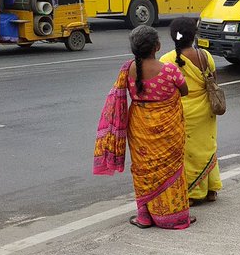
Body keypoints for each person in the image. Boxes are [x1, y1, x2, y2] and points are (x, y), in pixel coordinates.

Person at [94, 25, 193, 230]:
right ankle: (175, 217)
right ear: (157, 46)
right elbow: (184, 91)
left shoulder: (127, 68)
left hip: (139, 127)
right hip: (169, 129)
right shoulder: (169, 70)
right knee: (172, 170)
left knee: (142, 170)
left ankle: (145, 217)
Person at [160, 17, 223, 205]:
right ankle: (211, 189)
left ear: (174, 37)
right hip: (205, 111)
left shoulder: (167, 60)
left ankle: (194, 193)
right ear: (193, 35)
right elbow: (214, 81)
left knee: (187, 154)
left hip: (182, 113)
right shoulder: (205, 56)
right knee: (207, 149)